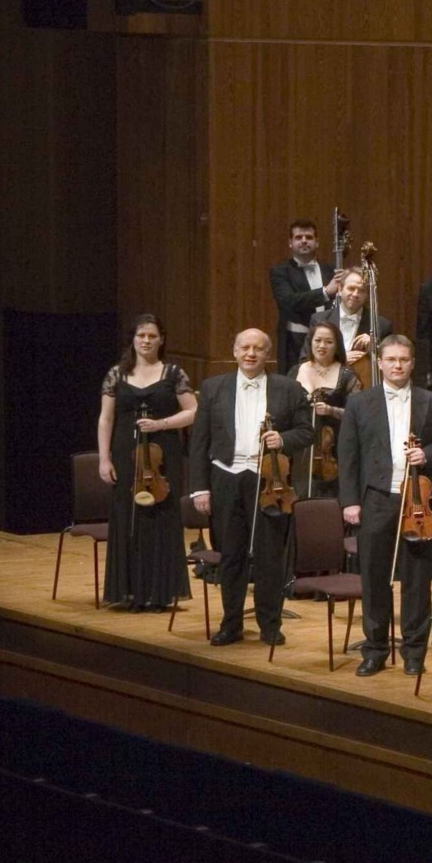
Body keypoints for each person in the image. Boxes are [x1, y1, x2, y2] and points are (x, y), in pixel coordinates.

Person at [337, 335, 432, 677]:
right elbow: (348, 455)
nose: (398, 365)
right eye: (391, 359)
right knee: (374, 577)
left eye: (404, 359)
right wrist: (350, 502)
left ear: (412, 363)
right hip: (376, 499)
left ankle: (414, 652)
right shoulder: (360, 403)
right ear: (380, 363)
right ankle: (375, 649)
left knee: (417, 580)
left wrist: (427, 454)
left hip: (417, 502)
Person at [184, 328, 311, 646]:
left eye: (258, 348)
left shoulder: (288, 388)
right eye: (245, 348)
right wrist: (199, 488)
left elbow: (306, 431)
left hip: (270, 480)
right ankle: (231, 624)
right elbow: (199, 442)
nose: (251, 353)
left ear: (268, 353)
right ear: (235, 351)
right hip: (226, 476)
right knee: (231, 555)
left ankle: (270, 625)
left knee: (270, 556)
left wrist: (283, 439)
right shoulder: (213, 387)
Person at [97, 315, 198, 613]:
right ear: (133, 339)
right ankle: (128, 590)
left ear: (161, 340)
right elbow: (106, 418)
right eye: (141, 335)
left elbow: (193, 411)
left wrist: (161, 424)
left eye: (152, 336)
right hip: (126, 454)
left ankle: (160, 592)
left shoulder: (173, 373)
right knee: (127, 516)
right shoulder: (117, 374)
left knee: (161, 518)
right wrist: (104, 458)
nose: (146, 341)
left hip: (163, 455)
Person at [294, 320, 353, 498]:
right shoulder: (296, 370)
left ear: (337, 346)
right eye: (318, 340)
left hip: (334, 448)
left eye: (329, 342)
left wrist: (330, 410)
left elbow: (358, 415)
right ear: (310, 342)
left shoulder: (347, 375)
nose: (322, 346)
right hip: (302, 446)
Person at [269, 218, 334, 357]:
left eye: (309, 237)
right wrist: (325, 292)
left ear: (317, 242)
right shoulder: (280, 271)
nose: (304, 241)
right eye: (298, 237)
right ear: (290, 243)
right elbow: (289, 301)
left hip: (328, 340)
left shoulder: (331, 270)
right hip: (295, 342)